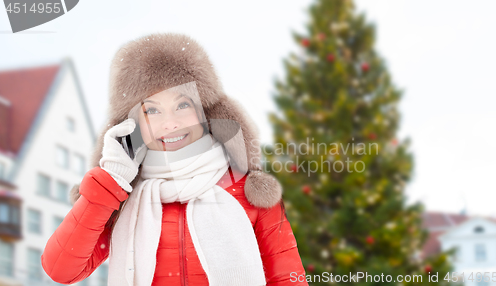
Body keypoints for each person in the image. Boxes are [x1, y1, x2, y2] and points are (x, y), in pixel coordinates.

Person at [41, 33, 308, 286]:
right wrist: (109, 182)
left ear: (206, 112)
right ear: (132, 125)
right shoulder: (119, 196)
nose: (170, 123)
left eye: (182, 105)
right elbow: (61, 270)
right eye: (152, 111)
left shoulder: (248, 190)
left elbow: (287, 277)